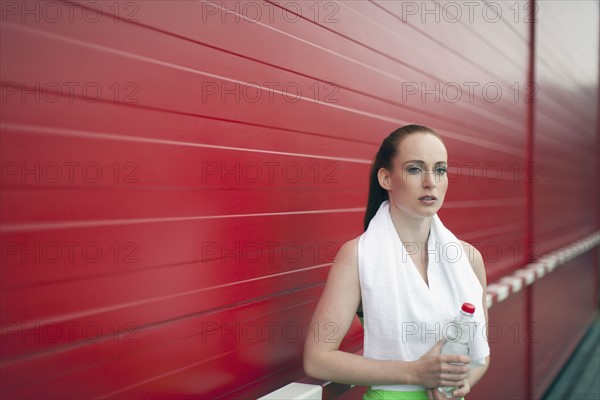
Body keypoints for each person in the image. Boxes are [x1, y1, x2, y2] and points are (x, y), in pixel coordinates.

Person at [303, 125, 490, 400]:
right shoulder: (357, 256)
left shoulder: (469, 260)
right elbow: (318, 359)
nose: (431, 182)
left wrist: (463, 382)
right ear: (386, 178)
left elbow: (480, 356)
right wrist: (414, 373)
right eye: (414, 169)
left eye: (440, 170)